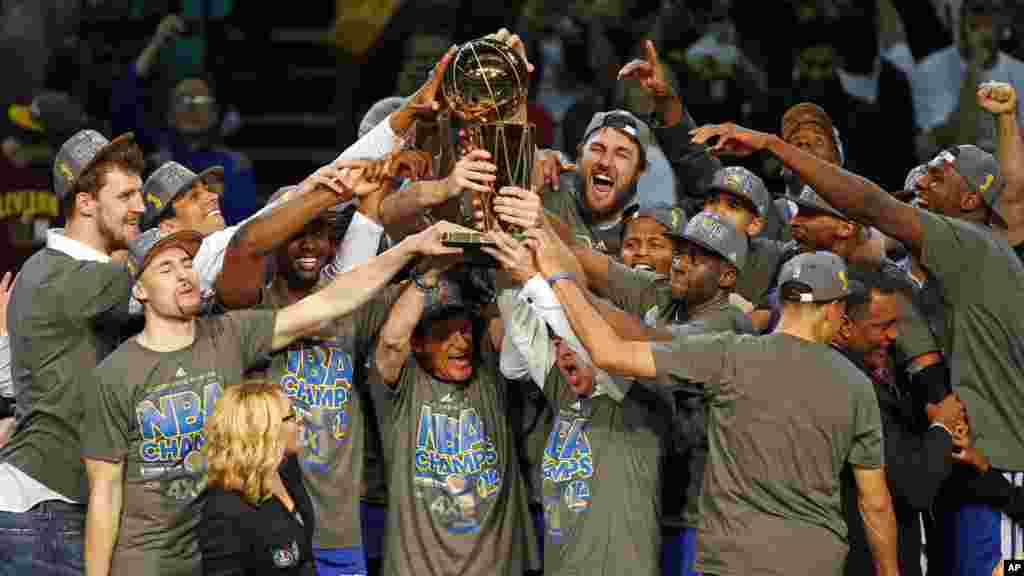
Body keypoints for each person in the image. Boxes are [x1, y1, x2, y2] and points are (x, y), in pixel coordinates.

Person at [690, 118, 1024, 576]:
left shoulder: (973, 244)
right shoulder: (941, 274)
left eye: (940, 174)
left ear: (968, 202)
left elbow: (870, 205)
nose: (923, 179)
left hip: (998, 477)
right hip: (964, 477)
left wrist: (771, 144)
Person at [80, 216, 467, 575]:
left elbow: (330, 302)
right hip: (150, 561)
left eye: (187, 264)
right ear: (140, 289)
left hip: (232, 548)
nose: (184, 276)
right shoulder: (114, 375)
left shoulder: (228, 334)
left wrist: (410, 248)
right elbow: (104, 493)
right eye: (166, 269)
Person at [524, 232, 900, 575]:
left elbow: (610, 352)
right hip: (811, 562)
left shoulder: (729, 355)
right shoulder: (856, 385)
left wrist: (558, 281)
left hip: (733, 560)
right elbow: (876, 504)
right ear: (833, 309)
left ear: (783, 301)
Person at [0, 129, 145, 576]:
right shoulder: (64, 276)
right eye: (126, 196)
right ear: (85, 203)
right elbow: (205, 263)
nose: (140, 207)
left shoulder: (51, 271)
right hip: (45, 510)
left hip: (52, 503)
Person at [488, 229, 670, 576]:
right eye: (557, 341)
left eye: (569, 338)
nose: (563, 349)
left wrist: (533, 277)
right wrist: (508, 268)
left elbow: (596, 349)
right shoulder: (565, 391)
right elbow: (514, 362)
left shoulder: (634, 394)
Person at [249, 190, 401, 576]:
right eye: (298, 232)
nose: (310, 244)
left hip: (340, 531)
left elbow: (405, 292)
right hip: (270, 524)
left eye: (321, 233)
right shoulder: (253, 312)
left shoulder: (351, 308)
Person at [372, 268, 537, 575]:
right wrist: (428, 273)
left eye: (465, 330)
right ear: (418, 344)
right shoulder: (403, 388)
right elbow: (393, 343)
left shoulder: (491, 377)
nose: (460, 343)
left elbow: (511, 334)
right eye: (445, 333)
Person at [832, 269, 964, 576]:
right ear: (845, 326)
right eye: (882, 326)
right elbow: (913, 485)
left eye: (896, 325)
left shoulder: (884, 376)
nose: (893, 336)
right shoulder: (852, 388)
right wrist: (943, 427)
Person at [201, 380, 315, 576]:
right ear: (264, 430)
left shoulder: (286, 473)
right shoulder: (224, 510)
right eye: (291, 417)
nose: (300, 421)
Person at [912, 0, 1024, 158]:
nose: (986, 19)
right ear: (962, 18)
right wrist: (976, 63)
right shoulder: (929, 69)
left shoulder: (1020, 72)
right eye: (979, 9)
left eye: (995, 10)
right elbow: (951, 143)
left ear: (1006, 19)